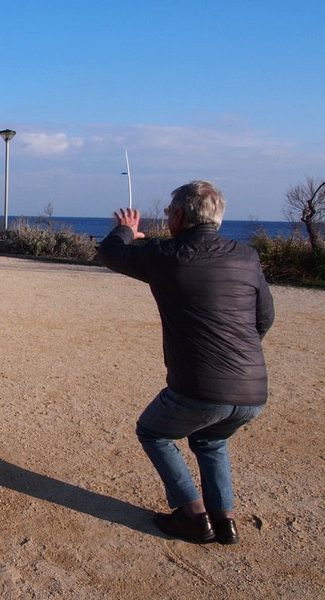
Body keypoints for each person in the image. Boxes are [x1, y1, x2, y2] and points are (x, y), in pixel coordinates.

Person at [97, 181, 275, 545]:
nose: (167, 217)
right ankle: (224, 521)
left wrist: (126, 230)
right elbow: (265, 318)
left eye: (168, 212)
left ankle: (192, 516)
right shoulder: (247, 256)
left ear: (179, 215)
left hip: (199, 388)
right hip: (253, 391)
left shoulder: (167, 254)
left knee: (154, 431)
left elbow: (111, 254)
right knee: (210, 442)